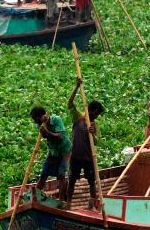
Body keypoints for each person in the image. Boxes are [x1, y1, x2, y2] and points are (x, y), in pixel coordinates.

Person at [66, 77, 104, 210]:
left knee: (91, 181)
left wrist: (92, 133)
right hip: (76, 156)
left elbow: (96, 142)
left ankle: (92, 204)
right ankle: (68, 203)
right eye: (96, 114)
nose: (96, 117)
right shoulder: (78, 117)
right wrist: (76, 87)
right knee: (72, 180)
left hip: (88, 158)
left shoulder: (94, 125)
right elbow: (69, 103)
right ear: (91, 110)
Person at [30, 105, 71, 204]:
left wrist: (47, 132)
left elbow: (59, 137)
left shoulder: (56, 120)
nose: (37, 122)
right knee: (44, 172)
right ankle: (36, 197)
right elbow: (45, 135)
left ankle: (61, 200)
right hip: (53, 151)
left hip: (64, 150)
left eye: (38, 119)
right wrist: (44, 130)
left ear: (44, 115)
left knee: (61, 174)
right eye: (36, 120)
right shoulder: (40, 125)